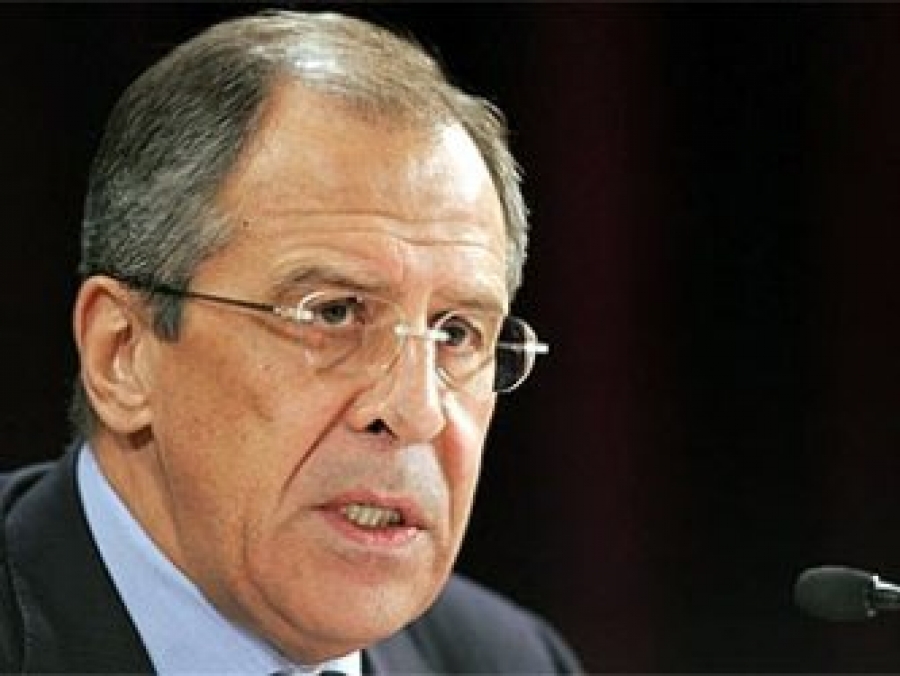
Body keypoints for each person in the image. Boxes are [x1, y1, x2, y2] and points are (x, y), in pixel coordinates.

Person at [0, 9, 581, 674]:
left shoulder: (511, 661)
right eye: (334, 314)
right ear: (123, 354)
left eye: (456, 333)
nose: (415, 410)